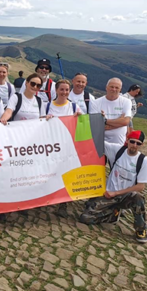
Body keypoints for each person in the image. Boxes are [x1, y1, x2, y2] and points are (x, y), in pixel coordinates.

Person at [79, 131, 147, 243]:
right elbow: (95, 140)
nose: (134, 145)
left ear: (142, 145)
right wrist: (99, 120)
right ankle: (112, 214)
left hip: (126, 196)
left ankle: (140, 229)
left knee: (138, 197)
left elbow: (140, 187)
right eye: (132, 142)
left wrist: (117, 193)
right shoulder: (117, 150)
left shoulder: (144, 161)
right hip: (108, 195)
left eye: (138, 143)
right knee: (85, 217)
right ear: (127, 141)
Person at [45, 79, 82, 218]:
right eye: (62, 89)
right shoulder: (48, 106)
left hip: (67, 146)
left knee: (65, 173)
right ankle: (45, 197)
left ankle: (63, 204)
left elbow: (83, 123)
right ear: (56, 90)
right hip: (50, 146)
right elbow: (39, 123)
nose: (64, 92)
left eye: (67, 90)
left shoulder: (73, 107)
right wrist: (44, 118)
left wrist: (80, 117)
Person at [91, 78, 132, 145]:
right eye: (111, 87)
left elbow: (125, 121)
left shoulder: (126, 102)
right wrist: (119, 122)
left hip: (119, 144)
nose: (113, 89)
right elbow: (95, 126)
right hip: (99, 144)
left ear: (120, 89)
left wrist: (104, 121)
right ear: (106, 87)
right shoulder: (95, 103)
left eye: (117, 87)